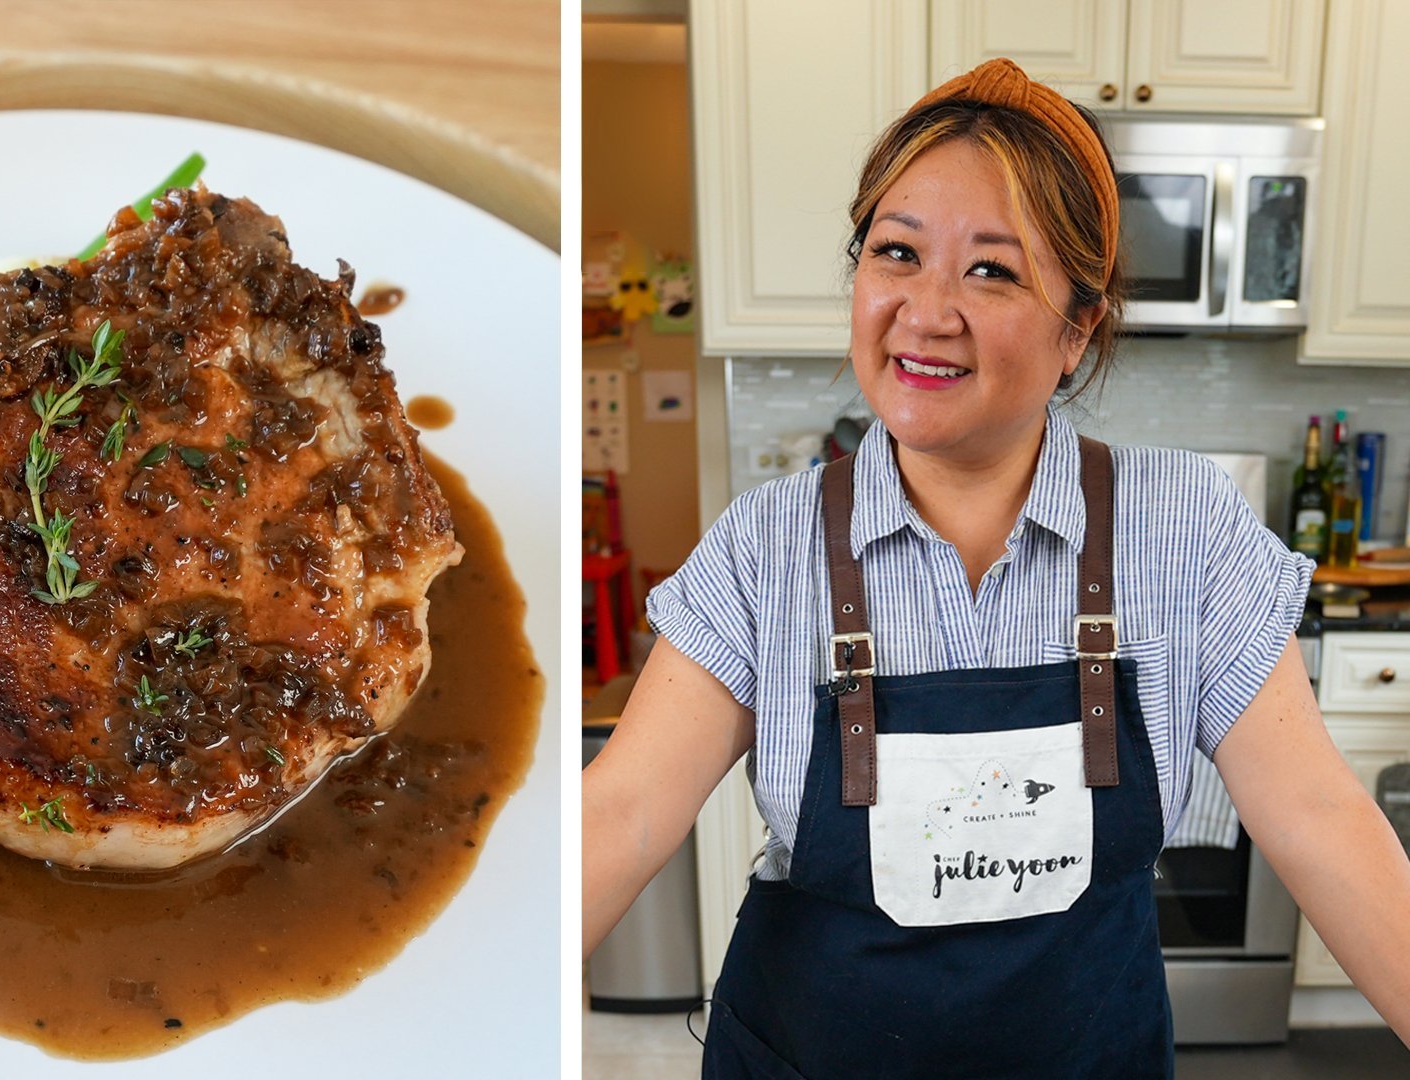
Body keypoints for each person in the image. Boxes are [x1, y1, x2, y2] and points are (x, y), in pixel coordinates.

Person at [582, 57, 1410, 1077]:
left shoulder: (1187, 528)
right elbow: (619, 814)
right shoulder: (766, 546)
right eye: (896, 253)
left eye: (992, 269)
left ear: (1077, 331)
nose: (927, 311)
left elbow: (1321, 819)